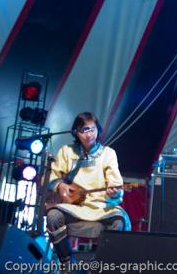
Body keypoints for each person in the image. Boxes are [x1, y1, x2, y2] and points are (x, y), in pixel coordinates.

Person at [46, 112, 131, 269]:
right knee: (53, 216)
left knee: (119, 222)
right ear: (75, 132)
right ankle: (67, 262)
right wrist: (61, 186)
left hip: (101, 208)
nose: (88, 134)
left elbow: (116, 184)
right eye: (83, 130)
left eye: (91, 129)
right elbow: (52, 177)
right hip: (75, 208)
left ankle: (99, 263)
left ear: (98, 130)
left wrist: (114, 192)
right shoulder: (66, 151)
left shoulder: (108, 153)